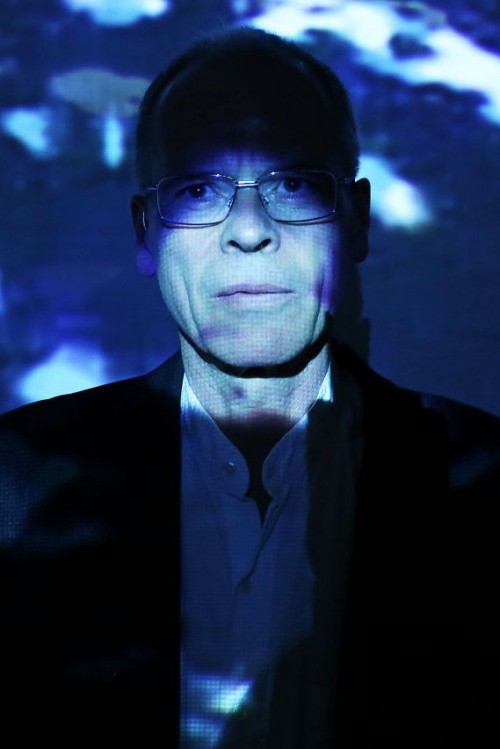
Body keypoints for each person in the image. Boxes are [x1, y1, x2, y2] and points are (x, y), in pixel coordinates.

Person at [0, 25, 499, 748]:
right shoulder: (15, 486)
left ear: (356, 222)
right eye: (199, 189)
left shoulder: (484, 487)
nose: (249, 230)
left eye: (292, 184)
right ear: (146, 232)